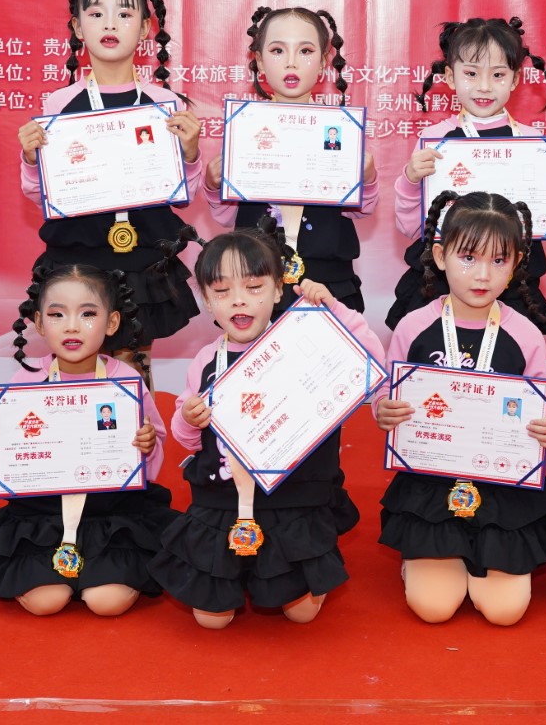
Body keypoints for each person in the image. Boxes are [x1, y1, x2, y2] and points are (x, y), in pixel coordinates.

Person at [147, 226, 386, 628]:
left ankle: (286, 570)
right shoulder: (206, 359)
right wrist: (188, 417)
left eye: (254, 287)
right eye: (222, 291)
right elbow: (187, 441)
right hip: (223, 500)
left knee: (301, 612)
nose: (238, 300)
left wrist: (335, 311)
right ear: (206, 299)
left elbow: (368, 361)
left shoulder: (301, 340)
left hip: (291, 501)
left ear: (278, 290)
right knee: (211, 619)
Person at [374, 191, 546, 626]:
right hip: (431, 482)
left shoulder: (526, 334)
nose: (482, 274)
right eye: (468, 257)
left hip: (502, 486)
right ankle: (421, 558)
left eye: (499, 261)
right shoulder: (414, 326)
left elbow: (543, 407)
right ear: (440, 256)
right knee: (433, 608)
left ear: (516, 264)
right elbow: (388, 392)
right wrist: (383, 410)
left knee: (505, 611)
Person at [16, 0, 204, 383]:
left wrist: (191, 153)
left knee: (135, 364)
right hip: (79, 253)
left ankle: (140, 427)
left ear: (145, 29)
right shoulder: (59, 104)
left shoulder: (165, 103)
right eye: (97, 13)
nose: (110, 24)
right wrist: (31, 158)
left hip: (142, 255)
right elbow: (38, 193)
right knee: (79, 364)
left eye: (124, 13)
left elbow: (183, 194)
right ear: (77, 27)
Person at [0, 265, 176, 616]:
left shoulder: (126, 380)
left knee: (106, 602)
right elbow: (6, 462)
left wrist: (148, 444)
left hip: (111, 512)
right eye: (57, 314)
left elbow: (155, 449)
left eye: (88, 314)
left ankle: (101, 572)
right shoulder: (24, 381)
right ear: (39, 323)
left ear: (112, 322)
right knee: (45, 602)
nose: (72, 326)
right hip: (42, 513)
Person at [387, 17, 546, 335]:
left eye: (498, 74)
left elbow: (541, 225)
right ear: (450, 76)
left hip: (511, 281)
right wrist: (410, 180)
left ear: (515, 79)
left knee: (509, 358)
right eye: (471, 74)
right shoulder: (435, 140)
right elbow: (411, 227)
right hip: (445, 281)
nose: (485, 86)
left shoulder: (533, 144)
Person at [204, 7, 377, 313]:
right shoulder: (246, 129)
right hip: (257, 277)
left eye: (306, 51)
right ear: (259, 61)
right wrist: (213, 184)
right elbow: (226, 217)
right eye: (277, 50)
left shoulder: (340, 130)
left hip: (327, 278)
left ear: (323, 62)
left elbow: (362, 211)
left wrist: (367, 178)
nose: (291, 62)